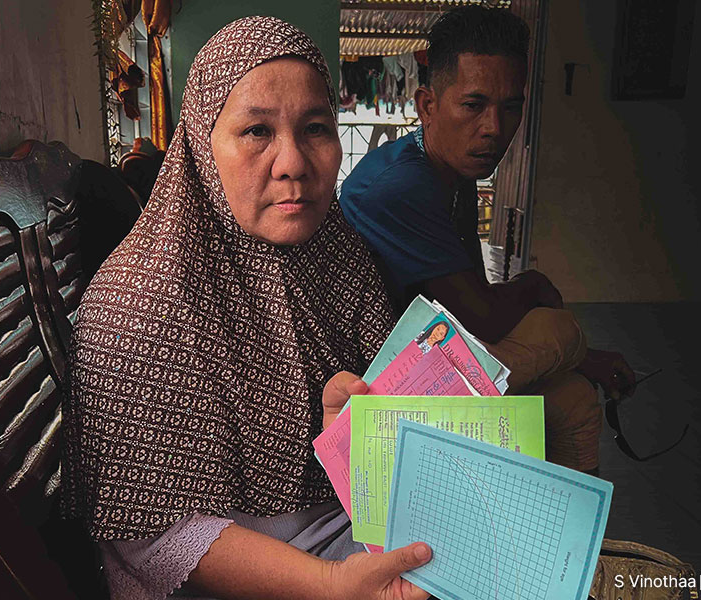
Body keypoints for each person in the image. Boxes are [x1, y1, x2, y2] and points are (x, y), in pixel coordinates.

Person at [62, 16, 433, 600]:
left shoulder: (337, 257)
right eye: (256, 131)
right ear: (201, 147)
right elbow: (151, 537)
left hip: (349, 527)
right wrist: (328, 582)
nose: (293, 163)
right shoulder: (139, 306)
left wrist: (355, 433)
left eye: (315, 128)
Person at [339, 5, 635, 473]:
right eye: (473, 105)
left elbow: (474, 310)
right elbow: (485, 317)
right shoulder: (399, 185)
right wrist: (534, 286)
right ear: (427, 106)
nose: (495, 129)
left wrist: (585, 362)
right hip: (384, 389)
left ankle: (569, 541)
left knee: (575, 401)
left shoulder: (450, 170)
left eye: (510, 106)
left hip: (439, 353)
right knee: (558, 330)